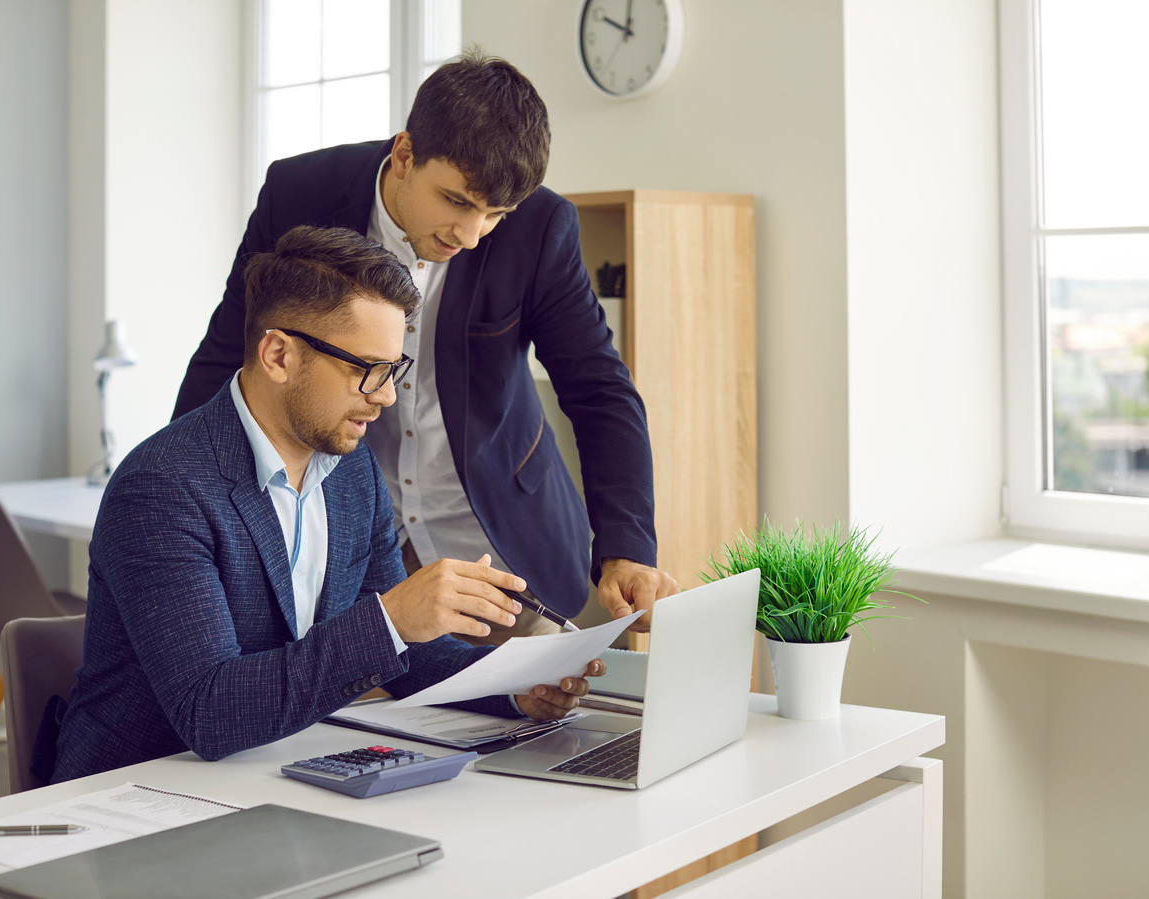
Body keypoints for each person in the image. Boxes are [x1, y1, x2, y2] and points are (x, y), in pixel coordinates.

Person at [47, 226, 600, 783]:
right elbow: (210, 712)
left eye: (394, 369)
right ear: (279, 355)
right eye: (367, 370)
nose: (385, 396)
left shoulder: (349, 471)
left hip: (273, 773)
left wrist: (518, 687)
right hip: (137, 792)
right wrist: (391, 619)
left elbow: (408, 658)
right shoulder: (163, 488)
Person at [172, 50, 677, 639]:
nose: (470, 235)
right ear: (405, 155)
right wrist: (177, 496)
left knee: (527, 716)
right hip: (347, 548)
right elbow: (230, 351)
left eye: (494, 215)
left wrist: (627, 545)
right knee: (348, 722)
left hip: (498, 556)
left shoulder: (542, 229)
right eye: (457, 202)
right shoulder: (298, 193)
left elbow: (599, 389)